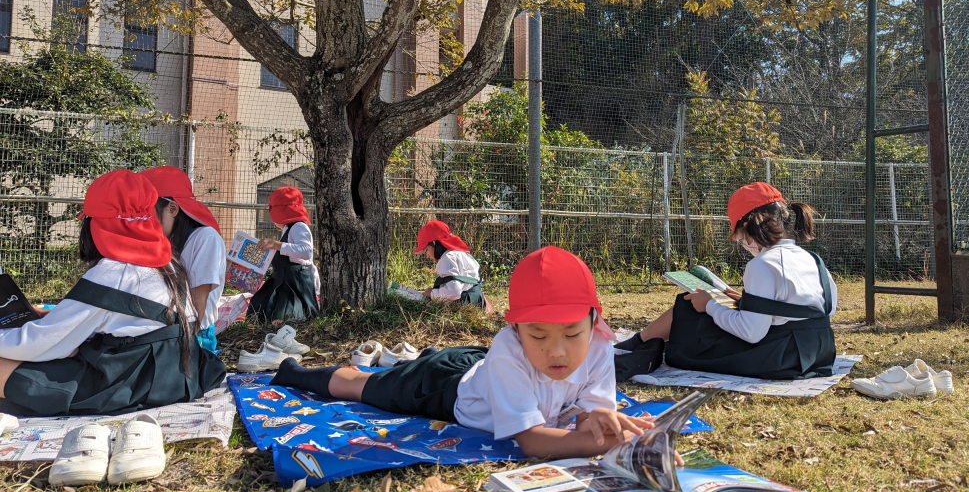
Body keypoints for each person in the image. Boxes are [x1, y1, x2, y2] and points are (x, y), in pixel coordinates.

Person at [270, 246, 657, 458]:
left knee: (461, 364)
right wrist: (601, 442)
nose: (558, 352)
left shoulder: (601, 345)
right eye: (538, 336)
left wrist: (602, 422)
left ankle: (431, 355)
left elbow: (591, 414)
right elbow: (535, 441)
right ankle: (293, 371)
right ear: (515, 329)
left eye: (573, 333)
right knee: (363, 385)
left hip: (479, 367)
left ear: (594, 321)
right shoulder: (508, 346)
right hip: (445, 389)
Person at [0, 169, 226, 417]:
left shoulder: (112, 272)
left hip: (132, 384)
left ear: (96, 225)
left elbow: (39, 344)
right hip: (178, 377)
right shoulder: (168, 264)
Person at [616, 182, 837, 380]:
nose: (737, 241)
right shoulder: (813, 259)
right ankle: (643, 342)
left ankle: (637, 344)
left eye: (739, 236)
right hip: (820, 354)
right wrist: (749, 302)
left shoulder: (762, 264)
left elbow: (752, 333)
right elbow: (822, 308)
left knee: (687, 307)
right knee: (695, 324)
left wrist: (710, 305)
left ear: (750, 226)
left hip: (782, 358)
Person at [140, 166, 226, 354]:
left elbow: (198, 300)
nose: (145, 221)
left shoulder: (205, 238)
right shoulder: (169, 240)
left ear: (172, 208)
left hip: (194, 335)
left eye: (149, 213)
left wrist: (187, 346)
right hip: (170, 329)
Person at [248, 186, 319, 324]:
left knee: (287, 314)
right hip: (283, 278)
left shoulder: (299, 226)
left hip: (295, 281)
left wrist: (276, 245)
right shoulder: (287, 228)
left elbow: (306, 251)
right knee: (259, 305)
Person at [414, 220, 486, 308]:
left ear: (434, 243)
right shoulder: (463, 254)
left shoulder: (447, 258)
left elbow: (454, 292)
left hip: (463, 305)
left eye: (426, 250)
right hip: (477, 301)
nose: (427, 256)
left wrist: (432, 293)